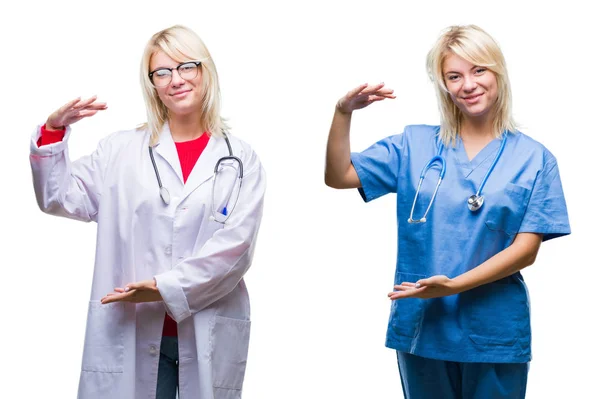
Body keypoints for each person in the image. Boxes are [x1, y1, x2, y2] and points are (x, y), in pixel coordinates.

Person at [324, 25, 570, 399]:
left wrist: (454, 286)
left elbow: (527, 250)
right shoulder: (414, 144)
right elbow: (339, 175)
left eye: (479, 70)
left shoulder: (535, 159)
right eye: (453, 76)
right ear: (443, 85)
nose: (468, 84)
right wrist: (343, 113)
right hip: (425, 325)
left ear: (498, 72)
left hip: (494, 330)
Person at [30, 25, 265, 399]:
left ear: (206, 71)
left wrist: (162, 288)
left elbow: (236, 247)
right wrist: (54, 132)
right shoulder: (119, 151)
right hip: (131, 330)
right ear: (152, 84)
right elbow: (59, 197)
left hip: (205, 328)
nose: (176, 80)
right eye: (162, 72)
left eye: (187, 66)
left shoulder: (240, 159)